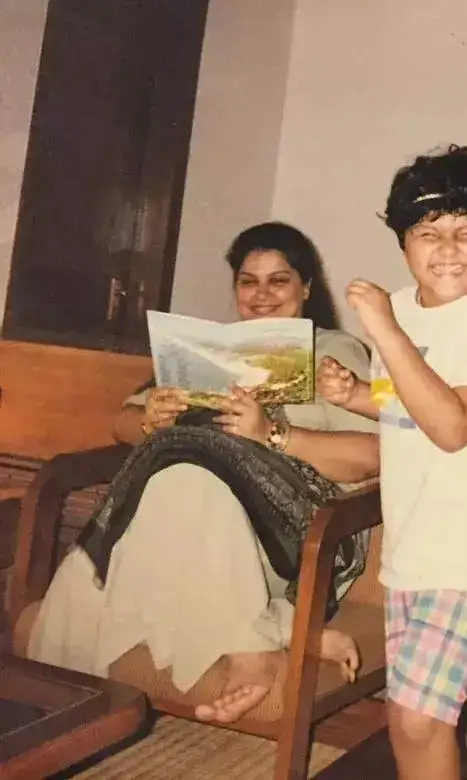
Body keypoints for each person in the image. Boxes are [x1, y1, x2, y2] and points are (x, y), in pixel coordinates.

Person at [28, 221, 381, 724]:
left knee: (187, 480)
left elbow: (371, 456)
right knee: (76, 592)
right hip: (187, 515)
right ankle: (62, 732)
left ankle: (253, 646)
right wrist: (150, 419)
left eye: (278, 280)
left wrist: (272, 436)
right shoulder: (206, 352)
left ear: (306, 288)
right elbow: (122, 422)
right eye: (247, 281)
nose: (261, 295)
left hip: (291, 528)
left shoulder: (333, 351)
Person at [317, 145, 467, 780]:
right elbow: (411, 401)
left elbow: (452, 425)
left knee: (418, 719)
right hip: (414, 545)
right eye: (428, 232)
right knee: (416, 715)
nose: (448, 248)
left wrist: (382, 330)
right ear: (403, 243)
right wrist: (356, 395)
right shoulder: (404, 310)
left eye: (466, 232)